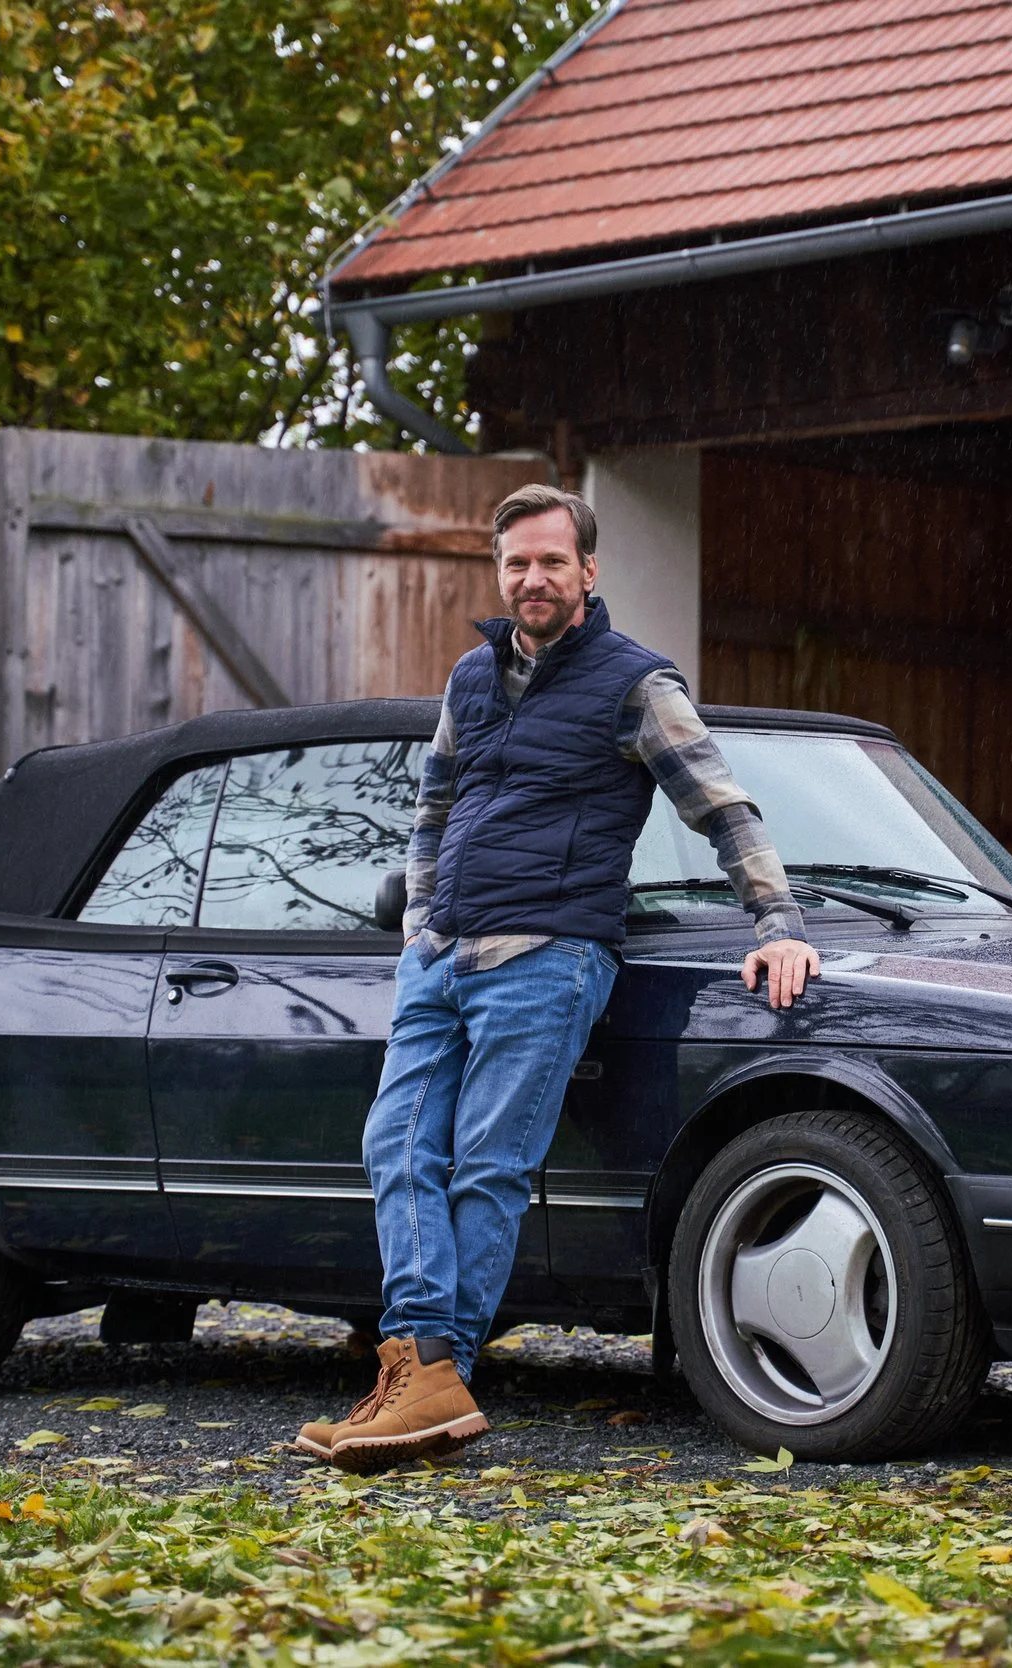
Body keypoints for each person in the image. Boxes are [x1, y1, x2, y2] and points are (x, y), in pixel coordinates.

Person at [297, 484, 820, 1472]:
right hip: (442, 959)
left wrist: (777, 923)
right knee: (395, 1149)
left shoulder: (635, 684)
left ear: (587, 571)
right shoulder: (471, 677)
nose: (531, 579)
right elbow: (432, 811)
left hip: (546, 959)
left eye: (550, 561)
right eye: (515, 563)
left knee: (486, 1164)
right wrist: (417, 925)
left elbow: (723, 808)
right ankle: (417, 1367)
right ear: (499, 573)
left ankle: (430, 1375)